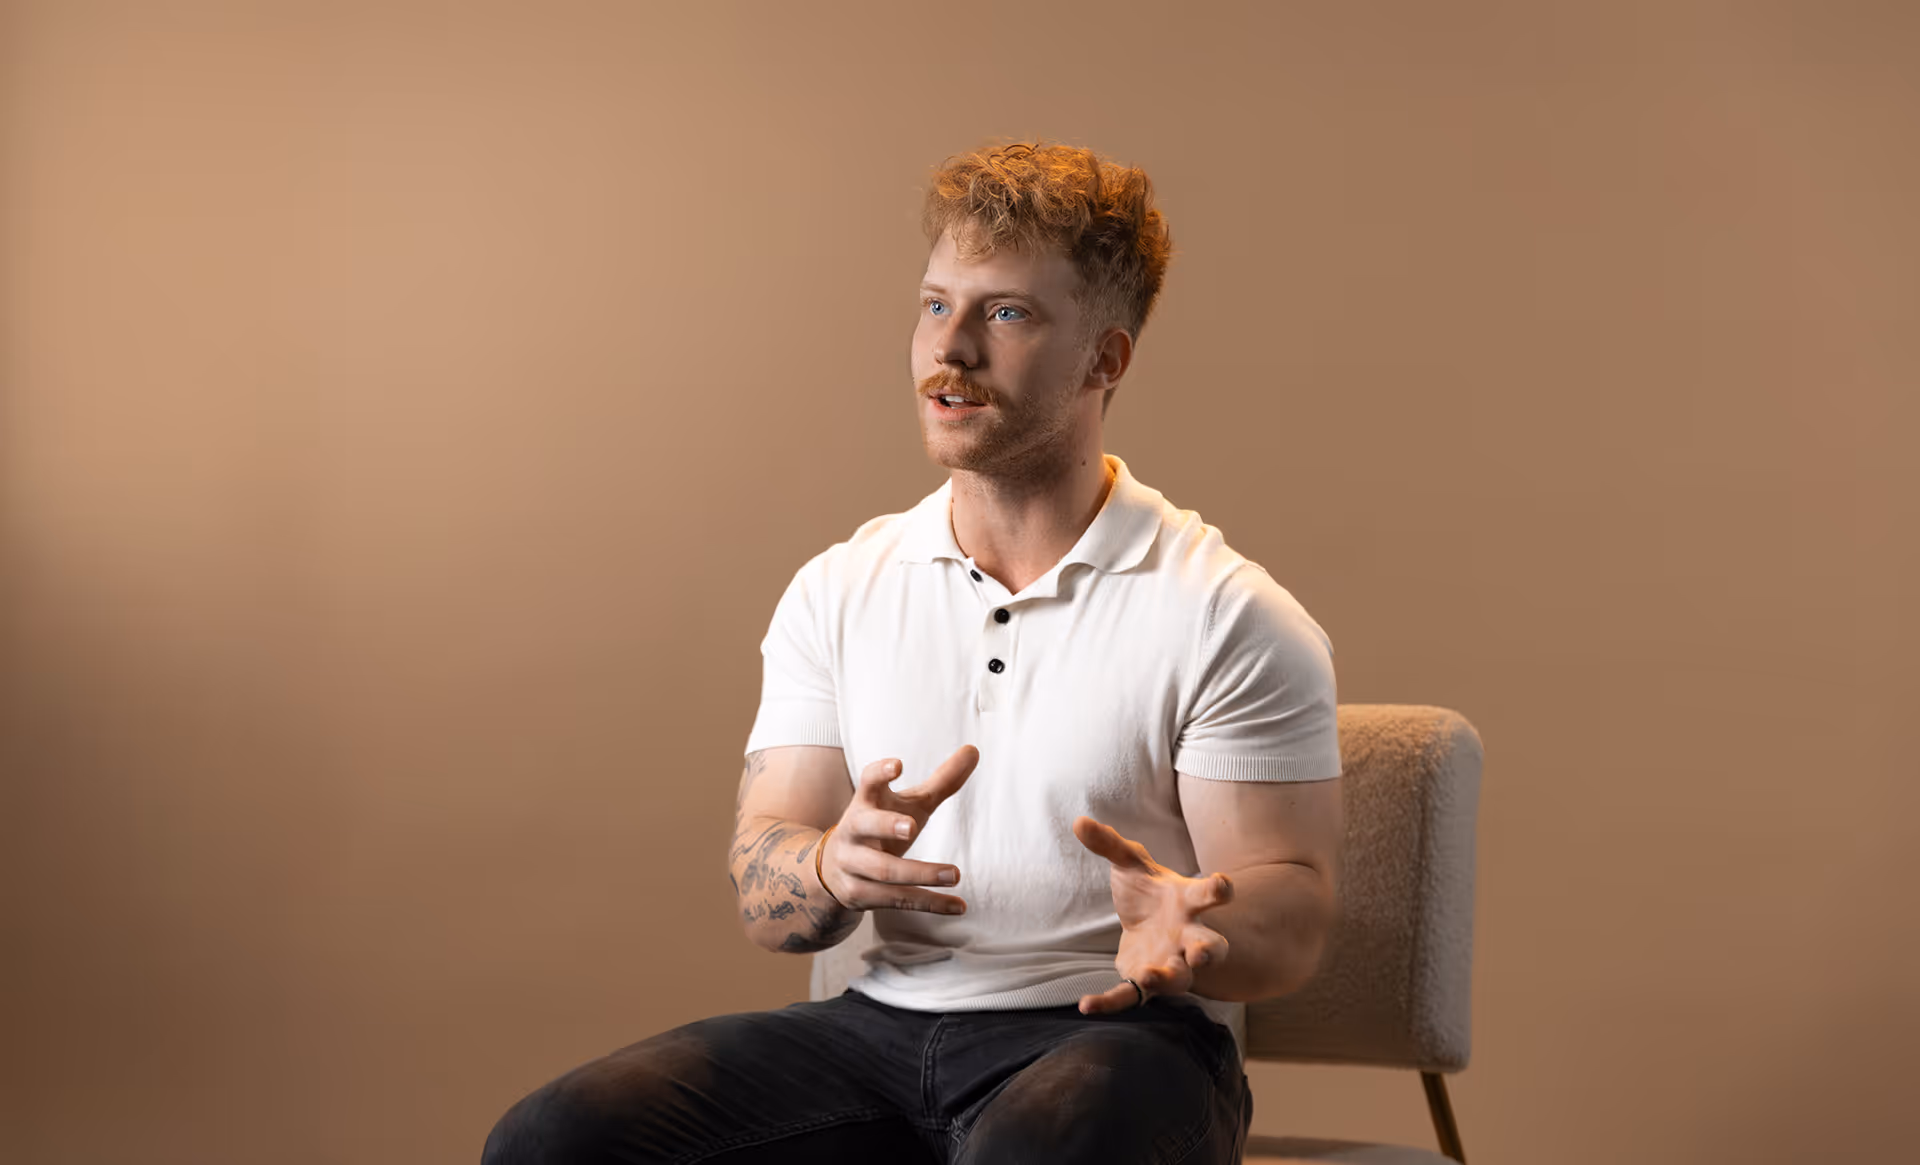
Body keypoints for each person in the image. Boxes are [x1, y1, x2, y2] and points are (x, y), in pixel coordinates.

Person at [482, 141, 1344, 1164]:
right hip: (875, 1029)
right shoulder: (840, 588)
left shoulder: (1225, 613)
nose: (952, 350)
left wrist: (1204, 924)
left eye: (1006, 313)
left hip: (1117, 1038)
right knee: (553, 1142)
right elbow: (769, 876)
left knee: (1040, 1147)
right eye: (937, 305)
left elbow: (1294, 905)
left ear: (1105, 360)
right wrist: (828, 867)